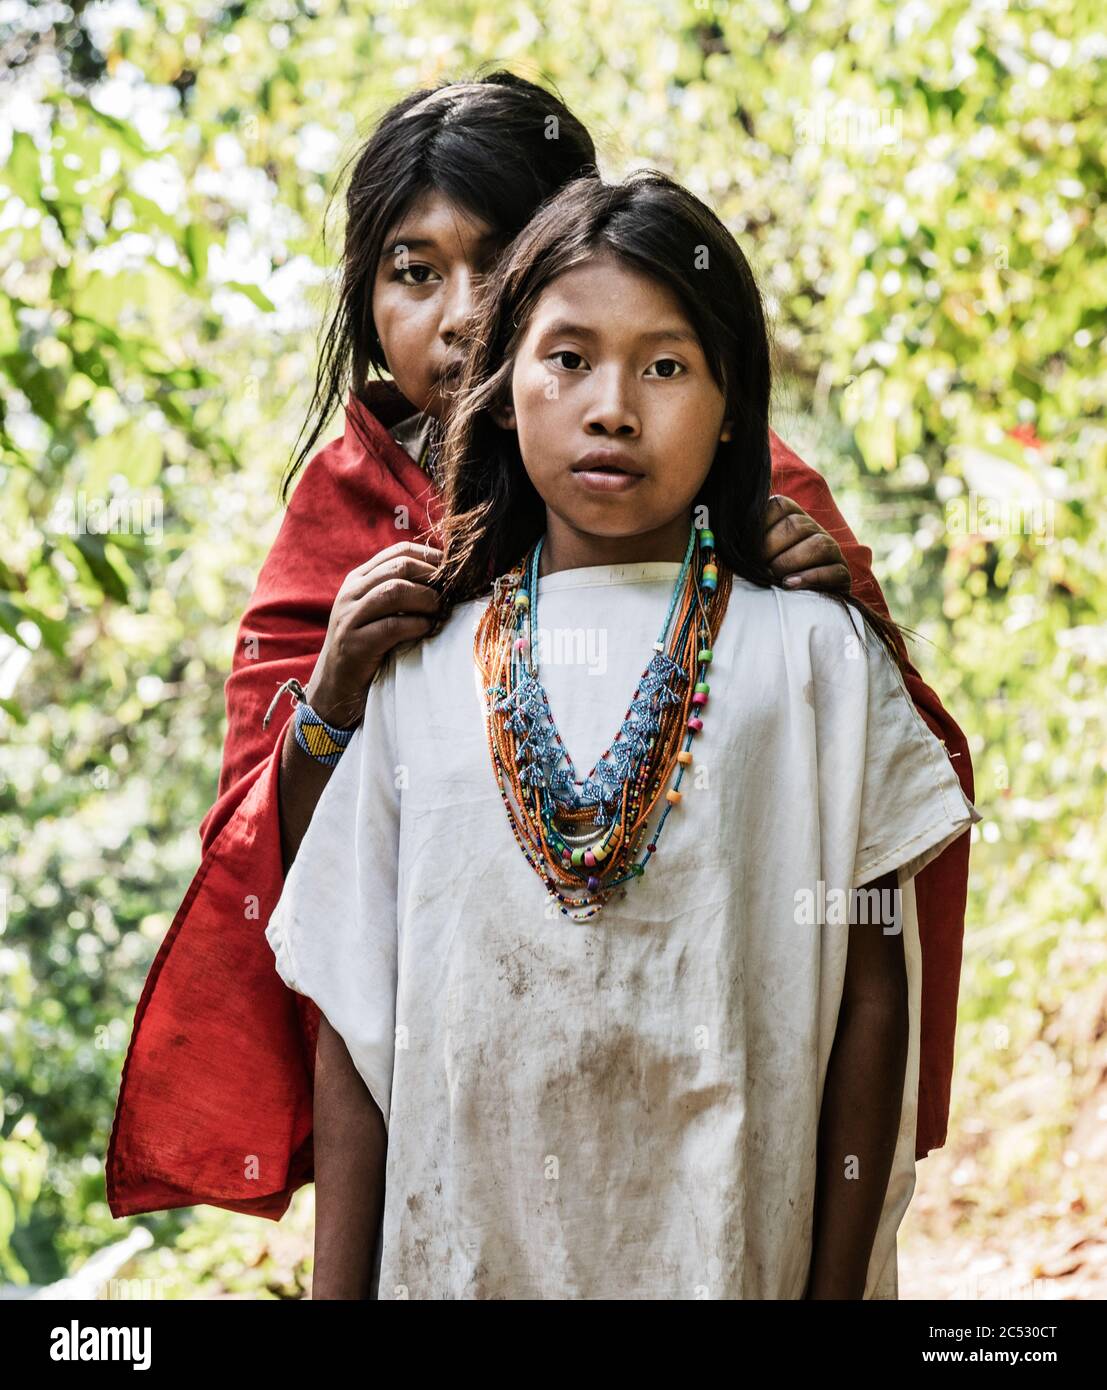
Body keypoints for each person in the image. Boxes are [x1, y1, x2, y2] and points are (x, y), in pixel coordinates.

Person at [107, 74, 973, 1224]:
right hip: (454, 1112)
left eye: (499, 258)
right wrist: (333, 695)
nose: (460, 313)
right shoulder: (347, 515)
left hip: (709, 1075)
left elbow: (882, 791)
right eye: (412, 272)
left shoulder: (723, 473)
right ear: (366, 301)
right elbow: (276, 874)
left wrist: (830, 593)